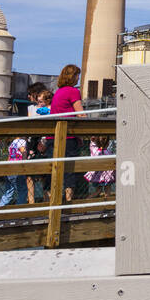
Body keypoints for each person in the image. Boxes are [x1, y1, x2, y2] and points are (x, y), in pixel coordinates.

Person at [48, 65, 85, 202]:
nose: (78, 78)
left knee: (56, 170)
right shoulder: (73, 91)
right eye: (77, 75)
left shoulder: (59, 92)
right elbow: (80, 114)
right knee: (69, 171)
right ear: (72, 76)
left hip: (53, 136)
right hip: (67, 137)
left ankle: (54, 201)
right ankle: (68, 202)